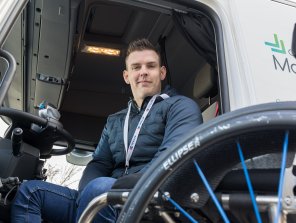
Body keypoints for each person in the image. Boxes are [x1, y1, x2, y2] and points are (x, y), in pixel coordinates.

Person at [11, 38, 203, 223]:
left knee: (100, 189)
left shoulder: (181, 107)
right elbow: (99, 163)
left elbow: (171, 160)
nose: (143, 72)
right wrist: (86, 193)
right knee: (31, 192)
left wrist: (109, 189)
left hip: (149, 198)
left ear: (162, 73)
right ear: (127, 76)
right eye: (136, 67)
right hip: (104, 198)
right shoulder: (116, 120)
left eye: (150, 66)